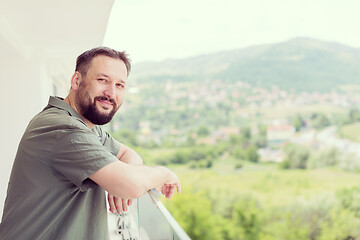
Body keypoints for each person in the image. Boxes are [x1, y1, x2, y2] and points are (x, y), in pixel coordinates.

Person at [0, 47, 181, 239]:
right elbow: (133, 185)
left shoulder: (87, 128)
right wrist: (165, 173)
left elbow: (129, 155)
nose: (111, 93)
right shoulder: (63, 128)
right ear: (76, 80)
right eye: (102, 80)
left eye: (120, 85)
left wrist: (121, 177)